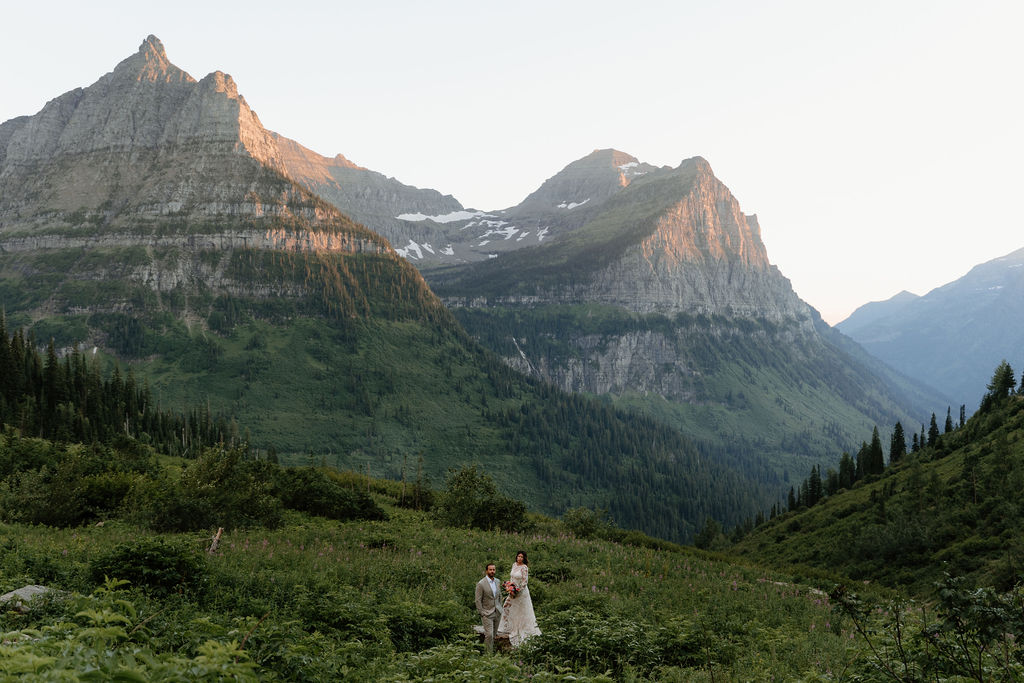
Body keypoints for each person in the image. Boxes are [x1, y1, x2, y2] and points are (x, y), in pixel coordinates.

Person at [497, 550, 541, 647]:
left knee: (521, 611)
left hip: (521, 592)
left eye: (522, 557)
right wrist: (509, 587)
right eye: (518, 556)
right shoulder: (514, 565)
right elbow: (512, 578)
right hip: (512, 590)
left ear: (524, 558)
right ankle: (507, 627)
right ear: (516, 557)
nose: (519, 558)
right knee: (507, 606)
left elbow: (525, 582)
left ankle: (522, 628)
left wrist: (517, 590)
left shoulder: (524, 568)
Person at [474, 562, 503, 654]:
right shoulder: (481, 584)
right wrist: (482, 612)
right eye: (490, 569)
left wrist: (500, 607)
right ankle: (487, 655)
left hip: (497, 612)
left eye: (494, 569)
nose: (492, 571)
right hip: (487, 613)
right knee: (489, 635)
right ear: (486, 571)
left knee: (493, 635)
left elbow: (499, 596)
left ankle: (491, 651)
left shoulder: (497, 581)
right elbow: (478, 600)